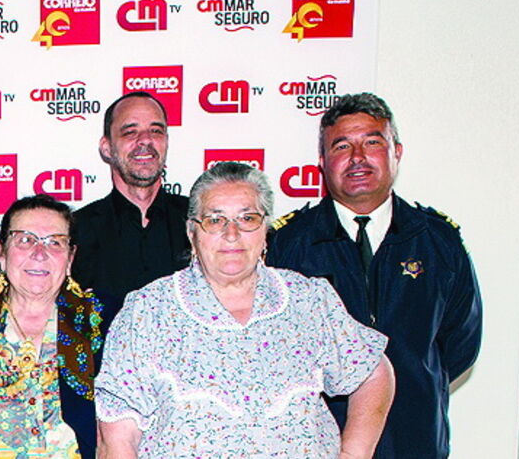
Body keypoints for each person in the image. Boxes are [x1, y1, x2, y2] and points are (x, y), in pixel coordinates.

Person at [96, 162, 395, 458]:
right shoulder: (148, 311)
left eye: (247, 218)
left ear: (265, 229)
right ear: (192, 232)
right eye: (215, 220)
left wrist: (354, 454)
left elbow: (373, 370)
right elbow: (117, 433)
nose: (231, 234)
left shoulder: (308, 300)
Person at [266, 92, 483, 458]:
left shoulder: (438, 242)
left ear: (396, 152)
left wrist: (409, 381)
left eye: (372, 142)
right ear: (322, 161)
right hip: (321, 444)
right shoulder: (289, 245)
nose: (357, 158)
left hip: (415, 439)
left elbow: (459, 344)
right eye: (342, 146)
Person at [0, 194, 116, 458]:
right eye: (25, 239)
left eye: (55, 242)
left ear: (70, 258)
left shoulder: (106, 320)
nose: (39, 253)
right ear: (1, 252)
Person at [71, 92, 189, 303]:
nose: (145, 140)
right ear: (107, 148)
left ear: (166, 142)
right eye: (130, 132)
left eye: (156, 130)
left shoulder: (201, 222)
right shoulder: (76, 230)